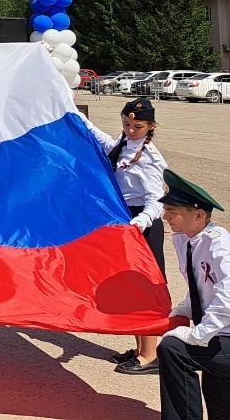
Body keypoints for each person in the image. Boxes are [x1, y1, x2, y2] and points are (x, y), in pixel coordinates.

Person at [83, 98, 169, 374]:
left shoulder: (151, 158)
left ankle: (150, 356)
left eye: (137, 126)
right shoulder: (124, 143)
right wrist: (72, 112)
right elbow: (106, 143)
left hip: (141, 225)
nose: (131, 129)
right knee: (131, 288)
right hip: (126, 221)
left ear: (151, 126)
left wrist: (139, 223)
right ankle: (141, 348)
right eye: (126, 124)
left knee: (145, 288)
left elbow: (156, 201)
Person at [156, 169, 230, 420]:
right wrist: (185, 308)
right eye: (166, 210)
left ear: (198, 214)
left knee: (173, 349)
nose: (166, 216)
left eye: (172, 211)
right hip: (220, 332)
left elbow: (228, 294)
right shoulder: (183, 239)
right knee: (217, 389)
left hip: (225, 333)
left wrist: (198, 334)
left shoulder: (219, 243)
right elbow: (200, 285)